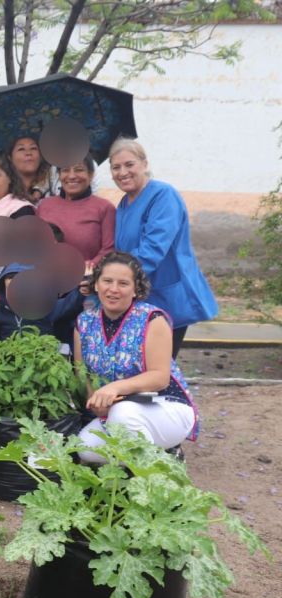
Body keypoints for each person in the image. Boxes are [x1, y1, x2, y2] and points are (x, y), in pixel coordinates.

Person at [75, 251, 198, 462]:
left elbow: (160, 377)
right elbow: (81, 373)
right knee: (85, 447)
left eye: (123, 283)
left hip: (166, 406)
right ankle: (160, 454)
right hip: (116, 411)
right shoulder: (84, 322)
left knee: (123, 414)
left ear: (136, 289)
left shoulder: (152, 319)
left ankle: (150, 473)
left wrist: (114, 388)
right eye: (107, 281)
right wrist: (95, 402)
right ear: (96, 285)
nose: (113, 289)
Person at [109, 138, 217, 357]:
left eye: (129, 164)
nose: (123, 172)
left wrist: (112, 277)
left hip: (167, 297)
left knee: (160, 368)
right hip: (140, 297)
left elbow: (151, 251)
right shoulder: (124, 203)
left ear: (144, 164)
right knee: (140, 366)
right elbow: (122, 251)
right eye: (116, 167)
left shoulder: (163, 196)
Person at [37, 154, 115, 268]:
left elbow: (108, 249)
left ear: (91, 175)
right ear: (59, 175)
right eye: (65, 170)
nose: (72, 176)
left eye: (79, 170)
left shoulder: (105, 208)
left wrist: (88, 267)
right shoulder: (44, 205)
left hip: (87, 276)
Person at [8, 136, 54, 203]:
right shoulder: (4, 191)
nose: (28, 153)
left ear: (41, 156)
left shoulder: (53, 187)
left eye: (33, 148)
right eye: (21, 149)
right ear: (10, 158)